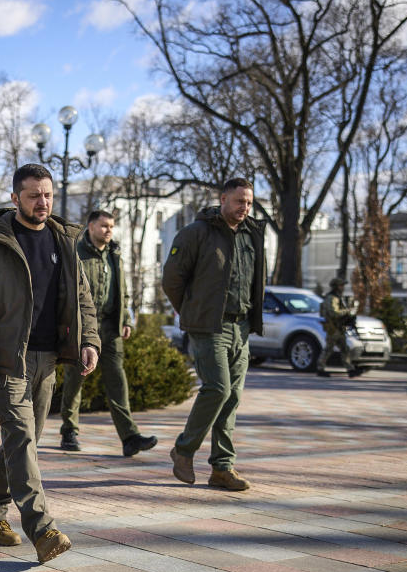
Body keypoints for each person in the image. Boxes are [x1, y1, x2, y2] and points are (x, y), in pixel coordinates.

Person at [0, 163, 100, 564]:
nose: (43, 202)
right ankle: (42, 528)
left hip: (49, 359)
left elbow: (82, 298)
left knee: (23, 442)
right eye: (34, 195)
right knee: (21, 438)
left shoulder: (64, 240)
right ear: (15, 197)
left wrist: (89, 340)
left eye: (48, 195)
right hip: (6, 360)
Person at [162, 178, 266, 492]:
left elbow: (256, 280)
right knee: (217, 389)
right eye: (238, 202)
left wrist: (250, 320)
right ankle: (184, 448)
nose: (244, 209)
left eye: (248, 203)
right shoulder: (196, 232)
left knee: (232, 397)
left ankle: (222, 468)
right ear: (223, 199)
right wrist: (191, 310)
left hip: (241, 327)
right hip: (209, 326)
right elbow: (172, 279)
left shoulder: (253, 234)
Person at [59, 210, 157, 457]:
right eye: (104, 226)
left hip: (111, 328)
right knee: (75, 380)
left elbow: (123, 290)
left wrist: (126, 319)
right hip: (83, 329)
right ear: (90, 226)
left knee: (117, 382)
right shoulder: (76, 253)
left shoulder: (115, 254)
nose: (109, 230)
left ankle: (129, 436)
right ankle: (69, 429)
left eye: (112, 226)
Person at [317, 277, 362, 378]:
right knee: (329, 349)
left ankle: (350, 369)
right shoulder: (332, 298)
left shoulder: (337, 297)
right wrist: (348, 311)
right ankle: (320, 368)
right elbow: (334, 313)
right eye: (341, 285)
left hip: (339, 327)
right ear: (336, 286)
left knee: (344, 349)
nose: (342, 287)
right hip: (333, 327)